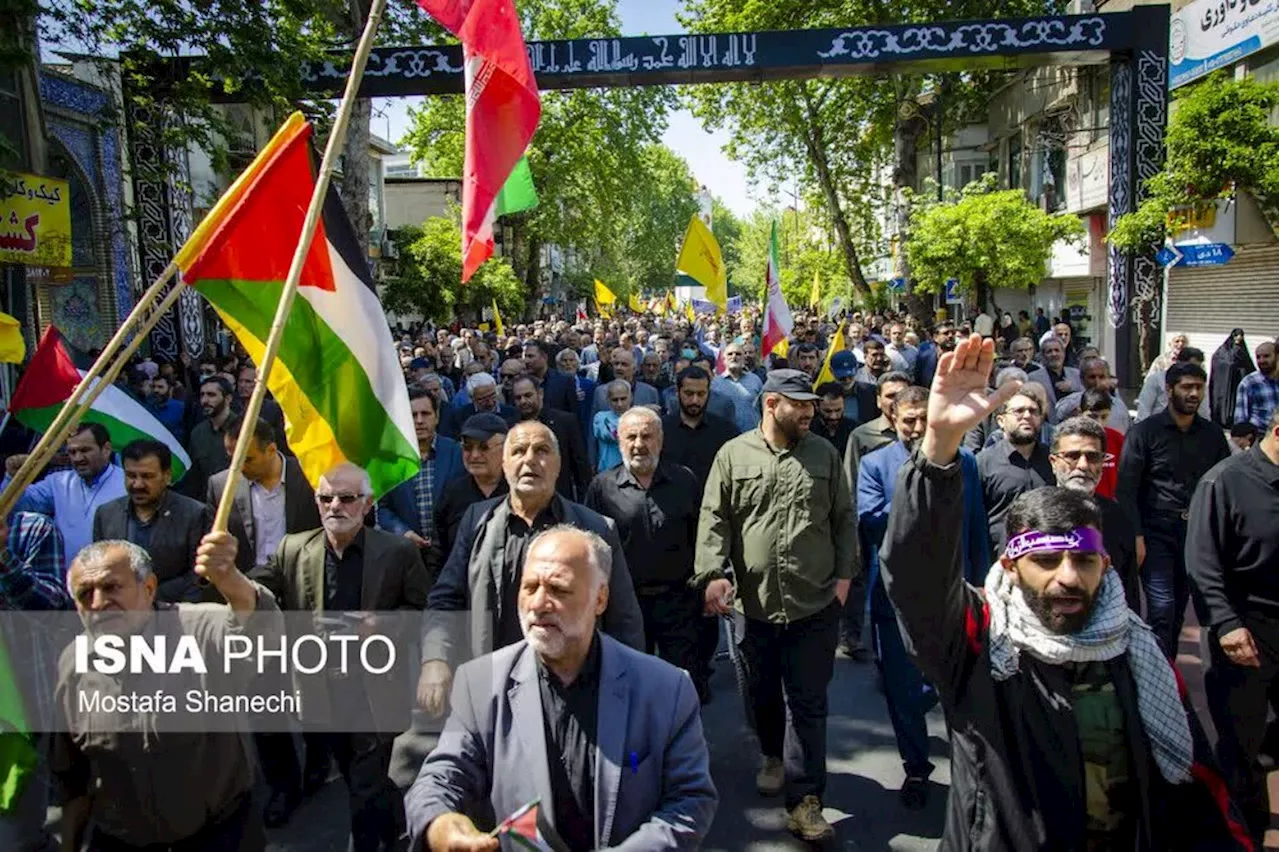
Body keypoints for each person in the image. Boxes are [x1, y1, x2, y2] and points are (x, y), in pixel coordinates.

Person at [880, 332, 1250, 851]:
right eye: (1047, 561)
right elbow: (916, 576)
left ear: (1105, 565)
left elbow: (1195, 790)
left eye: (1082, 561)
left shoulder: (1139, 653)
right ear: (1012, 566)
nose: (1068, 577)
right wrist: (938, 450)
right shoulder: (980, 644)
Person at [405, 526, 717, 850]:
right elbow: (441, 776)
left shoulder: (666, 689)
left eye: (558, 589)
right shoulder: (480, 683)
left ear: (600, 598)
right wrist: (440, 823)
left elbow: (689, 801)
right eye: (529, 587)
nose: (539, 603)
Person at [696, 369, 856, 842]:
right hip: (753, 605)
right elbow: (714, 518)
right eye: (799, 404)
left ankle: (806, 799)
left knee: (808, 702)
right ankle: (771, 753)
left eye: (811, 404)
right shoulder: (732, 455)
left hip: (815, 604)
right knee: (761, 694)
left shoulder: (824, 454)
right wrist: (710, 575)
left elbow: (843, 518)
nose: (809, 412)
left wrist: (845, 578)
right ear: (771, 404)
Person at [53, 532, 281, 852]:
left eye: (111, 587)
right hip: (123, 838)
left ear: (148, 588)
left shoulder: (199, 631)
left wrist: (229, 579)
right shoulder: (73, 665)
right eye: (84, 593)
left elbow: (260, 628)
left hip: (218, 836)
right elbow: (72, 775)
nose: (99, 603)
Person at [253, 463, 428, 852]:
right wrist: (221, 573)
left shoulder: (396, 551)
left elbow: (426, 612)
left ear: (366, 505)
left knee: (366, 781)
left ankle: (370, 841)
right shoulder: (293, 549)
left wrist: (385, 624)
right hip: (319, 688)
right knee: (353, 774)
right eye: (326, 498)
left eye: (347, 499)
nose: (335, 506)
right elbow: (254, 594)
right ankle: (392, 823)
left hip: (375, 689)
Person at [417, 420, 645, 716]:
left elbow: (623, 617)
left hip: (573, 691)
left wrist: (631, 688)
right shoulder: (476, 522)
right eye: (519, 451)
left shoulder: (595, 528)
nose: (529, 460)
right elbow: (446, 598)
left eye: (541, 450)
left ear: (558, 464)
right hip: (494, 686)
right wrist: (435, 659)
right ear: (504, 463)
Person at [858, 385, 988, 808]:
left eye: (922, 419)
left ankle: (973, 769)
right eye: (907, 420)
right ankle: (916, 767)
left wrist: (982, 581)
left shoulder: (964, 462)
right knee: (902, 690)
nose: (916, 428)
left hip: (958, 595)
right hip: (895, 599)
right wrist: (919, 494)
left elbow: (974, 527)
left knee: (961, 685)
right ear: (893, 420)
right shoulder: (875, 465)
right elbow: (871, 520)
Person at [1188, 405, 1280, 845]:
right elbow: (1203, 564)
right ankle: (1245, 831)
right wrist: (1225, 624)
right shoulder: (1223, 481)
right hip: (1245, 629)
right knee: (1241, 743)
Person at [585, 408, 704, 698]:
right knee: (630, 685)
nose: (639, 444)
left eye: (647, 436)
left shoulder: (684, 480)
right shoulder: (602, 487)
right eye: (631, 437)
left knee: (684, 684)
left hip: (680, 603)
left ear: (660, 440)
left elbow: (701, 536)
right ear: (619, 440)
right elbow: (589, 547)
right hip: (627, 605)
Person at [1119, 361, 1230, 657]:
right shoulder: (1144, 433)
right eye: (1187, 387)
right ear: (1169, 390)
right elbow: (1126, 488)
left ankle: (1167, 669)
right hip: (1156, 533)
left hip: (1196, 535)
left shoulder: (1213, 435)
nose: (1194, 393)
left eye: (1199, 387)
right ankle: (1160, 680)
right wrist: (1137, 536)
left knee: (1179, 608)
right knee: (1161, 608)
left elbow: (1223, 486)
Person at [0, 511, 67, 852]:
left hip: (20, 708)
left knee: (17, 837)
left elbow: (52, 607)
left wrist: (3, 558)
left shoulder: (32, 529)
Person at [93, 439, 212, 603]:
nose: (138, 484)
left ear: (167, 476)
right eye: (131, 476)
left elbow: (198, 576)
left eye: (147, 476)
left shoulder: (194, 514)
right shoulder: (106, 514)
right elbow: (101, 571)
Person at [2, 422, 125, 568]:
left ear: (106, 449)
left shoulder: (126, 484)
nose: (78, 458)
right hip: (64, 581)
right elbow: (18, 504)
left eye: (85, 450)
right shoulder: (58, 482)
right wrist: (11, 477)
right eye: (72, 452)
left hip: (109, 579)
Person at [1049, 416, 1140, 611]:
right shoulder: (1030, 514)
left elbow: (1129, 591)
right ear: (1053, 461)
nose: (1083, 465)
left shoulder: (1119, 517)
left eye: (1092, 457)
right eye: (1073, 456)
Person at [377, 389, 465, 556]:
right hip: (406, 553)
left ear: (437, 417)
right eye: (413, 415)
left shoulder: (456, 453)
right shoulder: (390, 458)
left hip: (451, 552)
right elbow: (383, 509)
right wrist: (403, 532)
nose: (419, 421)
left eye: (425, 414)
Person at [977, 389, 1056, 559]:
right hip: (999, 561)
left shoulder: (1054, 461)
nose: (1027, 416)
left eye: (1033, 411)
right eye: (1018, 411)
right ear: (1001, 421)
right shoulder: (983, 463)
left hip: (1048, 558)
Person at [434, 413, 509, 568]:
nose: (474, 455)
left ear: (505, 449)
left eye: (483, 447)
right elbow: (438, 553)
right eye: (467, 447)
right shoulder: (453, 493)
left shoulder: (519, 491)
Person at [511, 375, 590, 501]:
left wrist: (582, 505)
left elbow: (581, 468)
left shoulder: (565, 422)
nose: (523, 401)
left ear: (540, 393)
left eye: (528, 395)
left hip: (560, 499)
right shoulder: (510, 427)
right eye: (518, 398)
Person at [182, 375, 235, 499]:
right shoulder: (198, 432)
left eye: (211, 395)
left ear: (227, 399)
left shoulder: (244, 429)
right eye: (202, 395)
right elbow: (193, 477)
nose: (205, 400)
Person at [1052, 356, 1131, 433]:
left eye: (1101, 377)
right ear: (1082, 379)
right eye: (1092, 377)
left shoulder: (1120, 407)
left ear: (1108, 378)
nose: (1097, 382)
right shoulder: (1068, 405)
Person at [1076, 387, 1125, 500]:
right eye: (1092, 416)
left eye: (1104, 417)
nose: (1099, 423)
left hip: (1111, 505)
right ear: (1080, 412)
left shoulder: (1117, 439)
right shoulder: (1072, 440)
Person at [1137, 346, 1210, 421]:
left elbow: (1204, 411)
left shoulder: (1201, 385)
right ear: (1179, 363)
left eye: (1198, 367)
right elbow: (1144, 409)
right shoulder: (1156, 379)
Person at [711, 341, 763, 433]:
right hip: (724, 436)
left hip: (752, 437)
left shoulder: (755, 380)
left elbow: (763, 408)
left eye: (738, 354)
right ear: (724, 359)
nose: (734, 357)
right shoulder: (715, 383)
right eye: (730, 354)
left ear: (744, 358)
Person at [591, 348, 660, 415]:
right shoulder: (600, 392)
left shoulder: (650, 393)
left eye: (624, 364)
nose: (619, 368)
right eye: (616, 364)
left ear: (634, 369)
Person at [1210, 328, 1256, 428]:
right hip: (1224, 385)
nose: (1239, 338)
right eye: (1236, 335)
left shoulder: (1243, 352)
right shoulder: (1222, 351)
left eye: (1241, 335)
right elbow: (1218, 363)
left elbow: (1250, 368)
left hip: (1238, 385)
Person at [1234, 341, 1280, 433]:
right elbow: (1240, 420)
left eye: (1266, 356)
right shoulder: (1249, 383)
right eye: (1258, 357)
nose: (1261, 360)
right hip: (1261, 438)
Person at [523, 340, 577, 415]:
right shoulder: (520, 382)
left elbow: (574, 414)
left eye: (530, 356)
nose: (526, 361)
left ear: (544, 357)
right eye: (525, 356)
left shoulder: (564, 382)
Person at [1026, 337, 1082, 409]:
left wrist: (1072, 387)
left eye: (1057, 350)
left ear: (1063, 353)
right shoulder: (1033, 378)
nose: (1054, 354)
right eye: (1049, 351)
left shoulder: (1076, 374)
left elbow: (1085, 395)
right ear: (1043, 356)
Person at [829, 350, 878, 424]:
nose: (847, 380)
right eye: (842, 377)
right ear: (831, 371)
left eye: (850, 376)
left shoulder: (871, 392)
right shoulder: (823, 393)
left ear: (857, 368)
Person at [592, 379, 630, 473]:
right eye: (615, 400)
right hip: (608, 472)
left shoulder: (637, 416)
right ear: (608, 400)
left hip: (632, 471)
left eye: (623, 399)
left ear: (630, 397)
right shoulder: (601, 418)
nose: (619, 404)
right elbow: (613, 435)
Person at [810, 381, 856, 453]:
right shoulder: (808, 431)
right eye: (827, 411)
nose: (833, 417)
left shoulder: (855, 430)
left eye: (838, 410)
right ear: (817, 406)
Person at [147, 374, 186, 445]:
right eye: (153, 387)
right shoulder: (147, 407)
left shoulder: (180, 407)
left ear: (170, 388)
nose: (156, 390)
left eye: (160, 387)